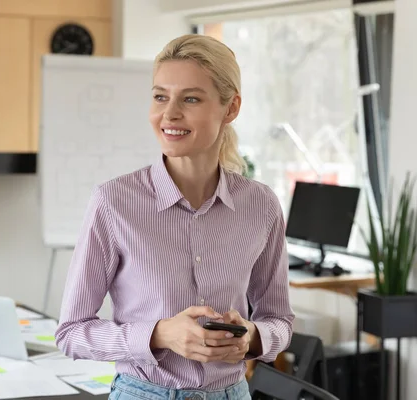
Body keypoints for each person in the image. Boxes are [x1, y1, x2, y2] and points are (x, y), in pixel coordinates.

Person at [55, 34, 295, 400]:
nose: (169, 114)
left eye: (191, 98)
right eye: (160, 96)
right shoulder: (114, 202)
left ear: (230, 108)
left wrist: (251, 337)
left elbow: (279, 320)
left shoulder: (260, 205)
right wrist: (158, 334)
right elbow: (71, 332)